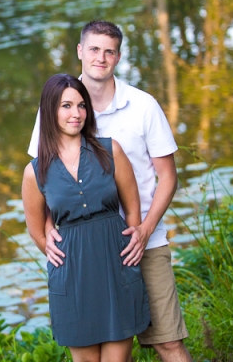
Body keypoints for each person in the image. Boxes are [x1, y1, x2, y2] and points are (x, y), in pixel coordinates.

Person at [28, 20, 192, 362]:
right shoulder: (58, 107)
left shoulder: (143, 106)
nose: (100, 58)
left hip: (141, 241)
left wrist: (144, 230)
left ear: (118, 57)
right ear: (80, 51)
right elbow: (45, 179)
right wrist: (46, 231)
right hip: (86, 255)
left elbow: (169, 177)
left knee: (167, 341)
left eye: (109, 51)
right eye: (93, 49)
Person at [22, 73, 150, 362]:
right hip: (73, 277)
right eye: (66, 106)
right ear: (50, 110)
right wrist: (54, 253)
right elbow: (36, 230)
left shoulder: (109, 150)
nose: (76, 114)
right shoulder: (35, 171)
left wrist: (131, 248)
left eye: (81, 106)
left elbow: (132, 209)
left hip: (115, 266)